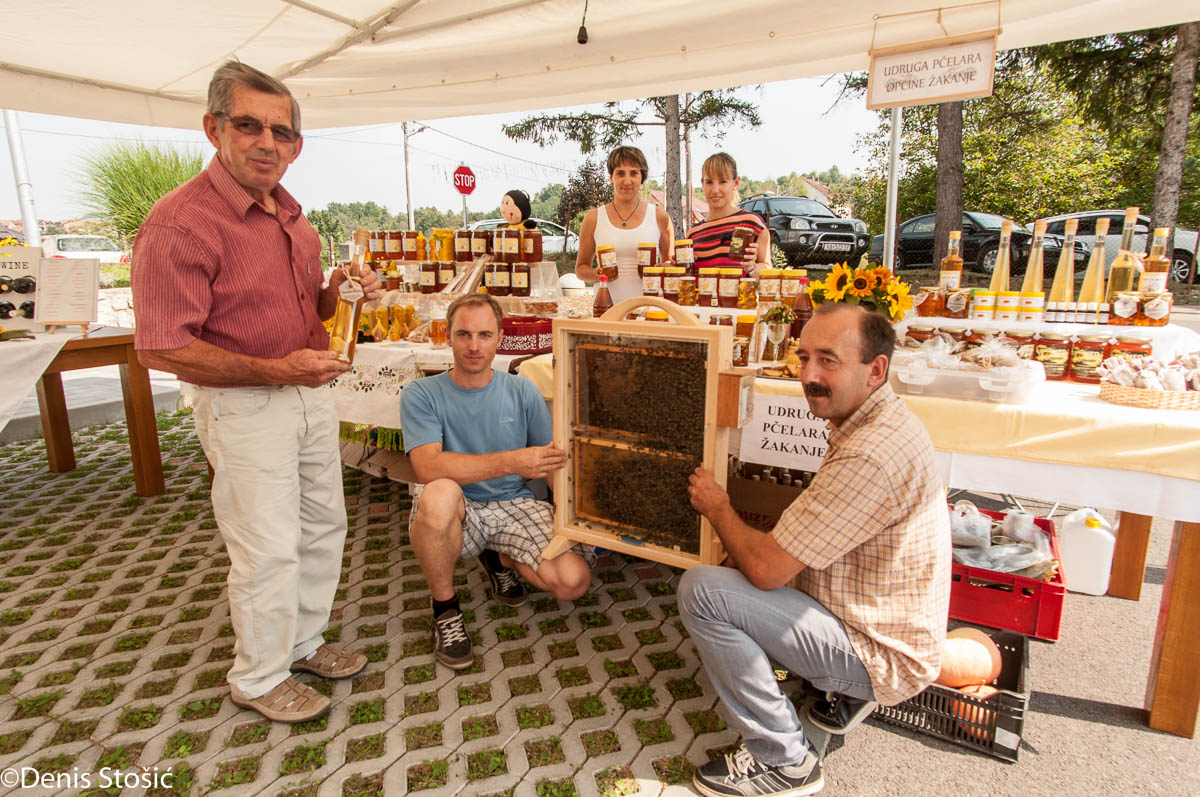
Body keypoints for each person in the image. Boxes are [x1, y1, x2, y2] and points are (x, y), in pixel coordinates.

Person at [132, 61, 380, 724]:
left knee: (323, 525)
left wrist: (341, 292)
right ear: (213, 128)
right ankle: (258, 674)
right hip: (242, 403)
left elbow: (308, 306)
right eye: (248, 125)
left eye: (281, 130)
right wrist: (274, 370)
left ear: (297, 144)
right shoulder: (179, 223)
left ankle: (302, 643)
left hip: (308, 394)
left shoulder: (292, 215)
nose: (267, 142)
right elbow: (160, 346)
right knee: (266, 544)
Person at [679, 303, 950, 797]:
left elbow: (766, 570)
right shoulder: (874, 420)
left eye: (828, 360)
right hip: (876, 617)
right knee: (736, 565)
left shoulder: (871, 453)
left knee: (704, 591)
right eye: (804, 357)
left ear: (876, 370)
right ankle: (834, 690)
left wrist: (718, 508)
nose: (808, 375)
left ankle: (784, 759)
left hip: (879, 651)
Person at [400, 293, 593, 670]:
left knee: (573, 581)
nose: (474, 346)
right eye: (464, 334)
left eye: (485, 335)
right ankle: (445, 610)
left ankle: (500, 558)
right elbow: (427, 466)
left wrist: (571, 517)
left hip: (515, 504)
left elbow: (550, 464)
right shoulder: (421, 393)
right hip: (460, 508)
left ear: (500, 338)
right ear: (448, 336)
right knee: (438, 493)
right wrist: (511, 461)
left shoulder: (522, 390)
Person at [575, 146, 675, 303]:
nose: (627, 181)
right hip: (607, 308)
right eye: (620, 173)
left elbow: (669, 262)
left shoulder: (659, 216)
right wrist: (598, 274)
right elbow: (581, 269)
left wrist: (664, 268)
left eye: (634, 173)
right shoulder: (594, 218)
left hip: (649, 308)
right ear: (611, 177)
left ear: (642, 178)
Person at [689, 152, 771, 276]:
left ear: (736, 183)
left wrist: (752, 267)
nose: (715, 190)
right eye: (709, 182)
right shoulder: (693, 233)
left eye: (722, 181)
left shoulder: (751, 224)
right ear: (702, 183)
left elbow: (768, 271)